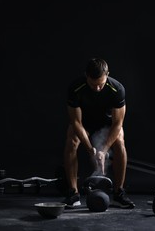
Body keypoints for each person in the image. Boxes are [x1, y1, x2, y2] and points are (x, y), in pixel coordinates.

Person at [62, 57, 135, 209]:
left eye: (100, 85)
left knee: (120, 140)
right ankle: (73, 193)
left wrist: (103, 150)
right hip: (85, 124)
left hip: (108, 124)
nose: (97, 88)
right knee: (71, 139)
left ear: (107, 75)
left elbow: (117, 123)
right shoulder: (76, 88)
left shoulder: (117, 89)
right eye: (93, 84)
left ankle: (118, 193)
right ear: (86, 76)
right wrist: (91, 149)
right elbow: (76, 122)